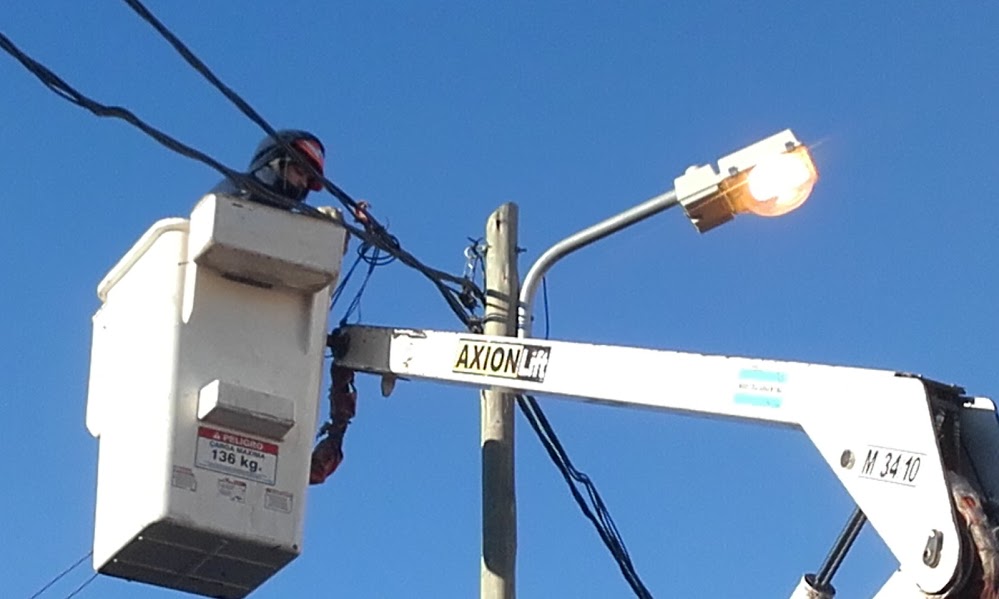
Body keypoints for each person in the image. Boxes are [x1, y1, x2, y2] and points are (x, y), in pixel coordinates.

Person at [211, 129, 326, 208]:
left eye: (309, 180)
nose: (304, 184)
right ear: (276, 163)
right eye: (299, 172)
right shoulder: (238, 189)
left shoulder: (292, 226)